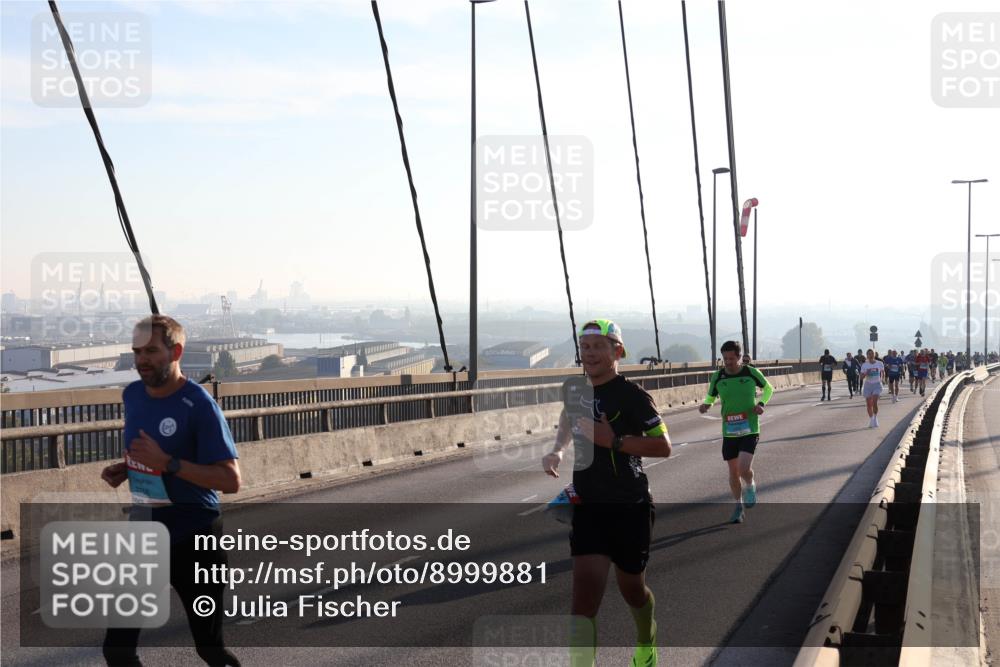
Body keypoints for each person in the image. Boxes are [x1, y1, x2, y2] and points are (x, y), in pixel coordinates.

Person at [101, 316, 242, 667]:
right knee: (117, 649)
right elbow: (148, 453)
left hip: (195, 536)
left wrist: (168, 463)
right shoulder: (132, 394)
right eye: (136, 351)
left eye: (151, 351)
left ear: (175, 351)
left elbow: (230, 480)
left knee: (209, 649)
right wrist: (129, 469)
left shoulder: (200, 405)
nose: (141, 360)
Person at [542, 319, 671, 667]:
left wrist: (612, 441)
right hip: (589, 508)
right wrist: (558, 449)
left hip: (630, 508)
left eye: (599, 346)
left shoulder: (634, 397)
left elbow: (663, 446)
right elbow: (569, 419)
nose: (590, 353)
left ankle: (646, 639)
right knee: (583, 603)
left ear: (618, 352)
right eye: (585, 347)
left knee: (633, 590)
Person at [699, 340, 774, 525]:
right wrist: (707, 404)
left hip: (750, 428)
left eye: (732, 358)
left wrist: (761, 404)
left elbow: (768, 388)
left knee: (743, 469)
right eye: (725, 359)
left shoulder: (750, 372)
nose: (728, 362)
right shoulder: (718, 376)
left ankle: (750, 484)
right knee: (733, 473)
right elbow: (711, 394)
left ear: (739, 357)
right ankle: (738, 506)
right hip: (729, 432)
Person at [859, 348, 885, 427]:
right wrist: (866, 373)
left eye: (872, 354)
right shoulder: (864, 365)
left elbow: (883, 372)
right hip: (868, 385)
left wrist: (883, 379)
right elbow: (861, 377)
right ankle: (871, 419)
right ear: (867, 355)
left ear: (875, 354)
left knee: (874, 402)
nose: (870, 355)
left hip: (877, 384)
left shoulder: (879, 363)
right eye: (869, 354)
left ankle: (875, 418)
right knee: (868, 404)